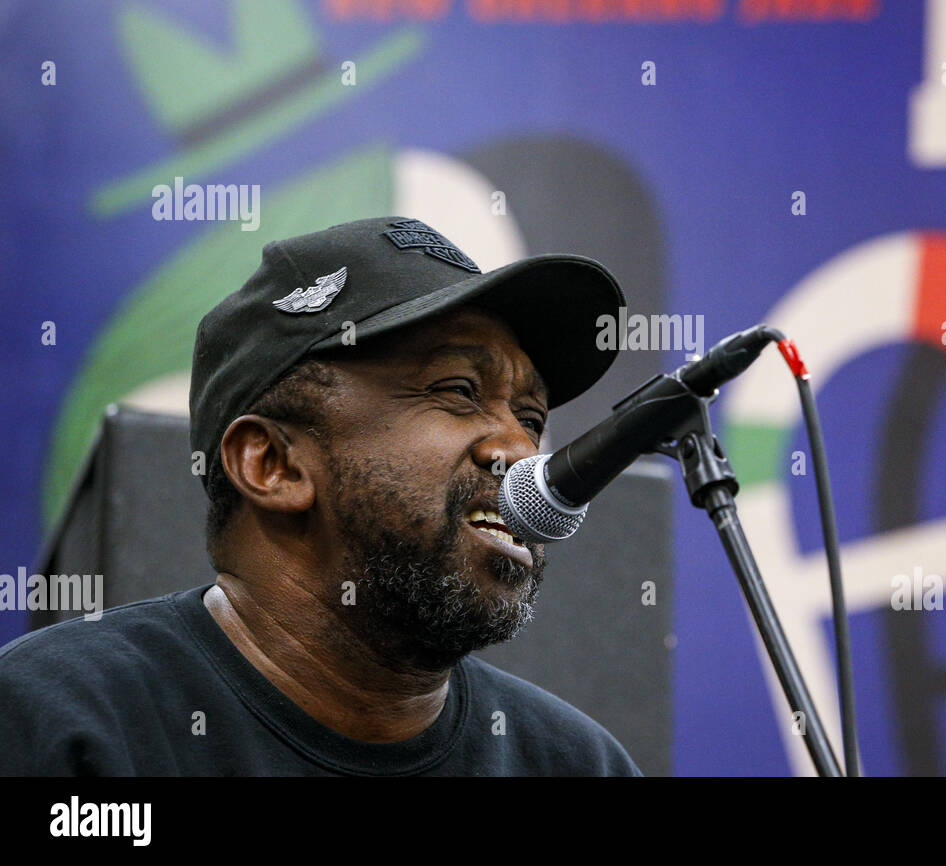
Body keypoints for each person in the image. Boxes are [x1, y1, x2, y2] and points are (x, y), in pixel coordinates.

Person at [0, 216, 642, 776]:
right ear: (273, 464)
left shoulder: (580, 764)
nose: (524, 453)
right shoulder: (60, 722)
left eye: (531, 418)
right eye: (457, 391)